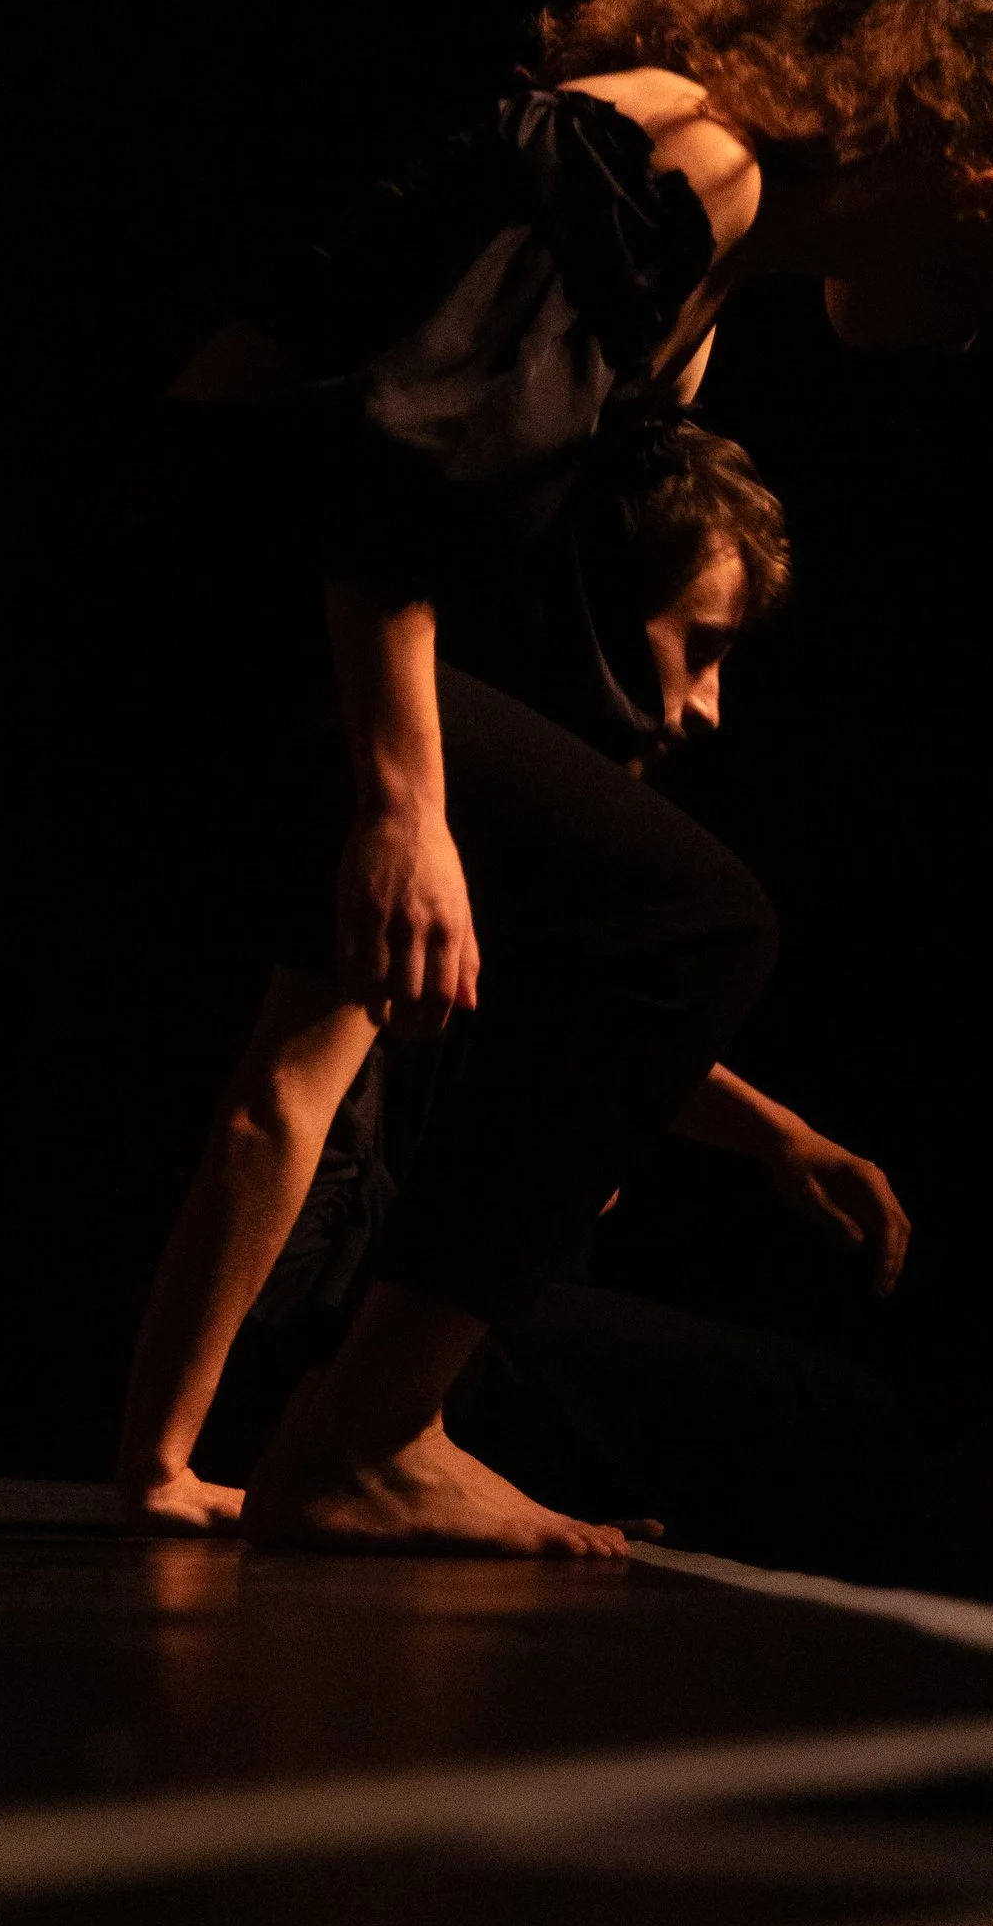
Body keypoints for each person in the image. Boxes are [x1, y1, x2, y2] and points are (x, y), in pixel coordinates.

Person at [154, 0, 993, 1557]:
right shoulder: (679, 156)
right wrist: (405, 804)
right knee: (698, 921)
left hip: (293, 613)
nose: (969, 337)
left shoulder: (709, 265)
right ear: (980, 189)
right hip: (226, 593)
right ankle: (369, 1437)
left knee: (614, 917)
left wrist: (632, 1093)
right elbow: (389, 463)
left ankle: (294, 1436)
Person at [118, 412, 913, 1538]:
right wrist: (160, 1461)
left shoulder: (508, 822)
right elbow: (276, 1106)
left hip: (344, 1302)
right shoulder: (423, 800)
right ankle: (368, 1447)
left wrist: (777, 1136)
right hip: (305, 1315)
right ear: (593, 615)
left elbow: (595, 1025)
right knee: (833, 1426)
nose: (706, 706)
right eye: (699, 645)